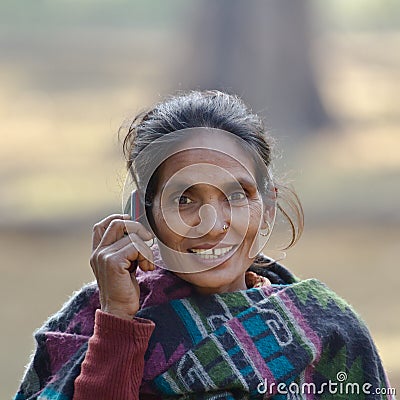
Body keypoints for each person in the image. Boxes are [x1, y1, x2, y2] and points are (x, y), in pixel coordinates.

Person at [15, 91, 394, 400]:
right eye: (184, 199)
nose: (212, 225)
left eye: (237, 194)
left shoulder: (328, 331)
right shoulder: (91, 322)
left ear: (267, 207)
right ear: (143, 214)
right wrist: (117, 322)